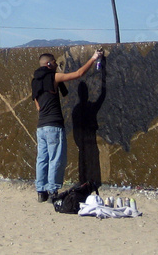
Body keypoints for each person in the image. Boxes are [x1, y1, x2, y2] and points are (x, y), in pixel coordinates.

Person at [31, 50, 101, 202]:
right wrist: (94, 58)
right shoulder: (54, 77)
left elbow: (38, 107)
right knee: (56, 159)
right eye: (55, 62)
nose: (57, 64)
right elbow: (79, 73)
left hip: (41, 127)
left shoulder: (35, 82)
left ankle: (41, 192)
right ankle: (52, 192)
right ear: (49, 64)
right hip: (54, 126)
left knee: (42, 159)